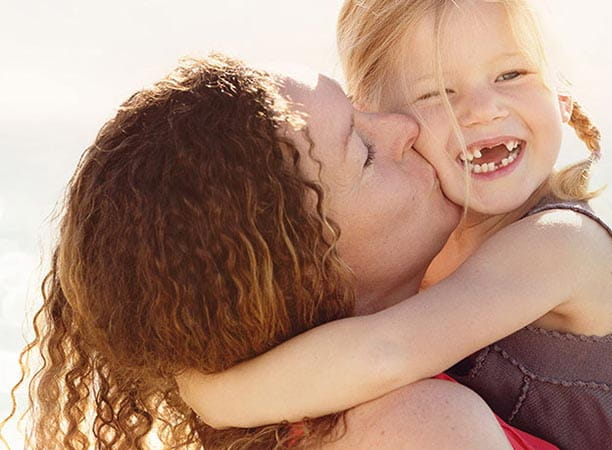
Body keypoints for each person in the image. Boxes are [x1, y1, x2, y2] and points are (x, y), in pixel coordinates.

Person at [176, 1, 612, 449]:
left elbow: (384, 351)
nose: (482, 109)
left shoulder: (562, 245)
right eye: (437, 92)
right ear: (390, 123)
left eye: (511, 75)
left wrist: (215, 395)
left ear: (560, 93)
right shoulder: (431, 259)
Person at [0, 54, 555, 449]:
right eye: (362, 151)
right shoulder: (415, 427)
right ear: (311, 267)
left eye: (362, 109)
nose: (405, 126)